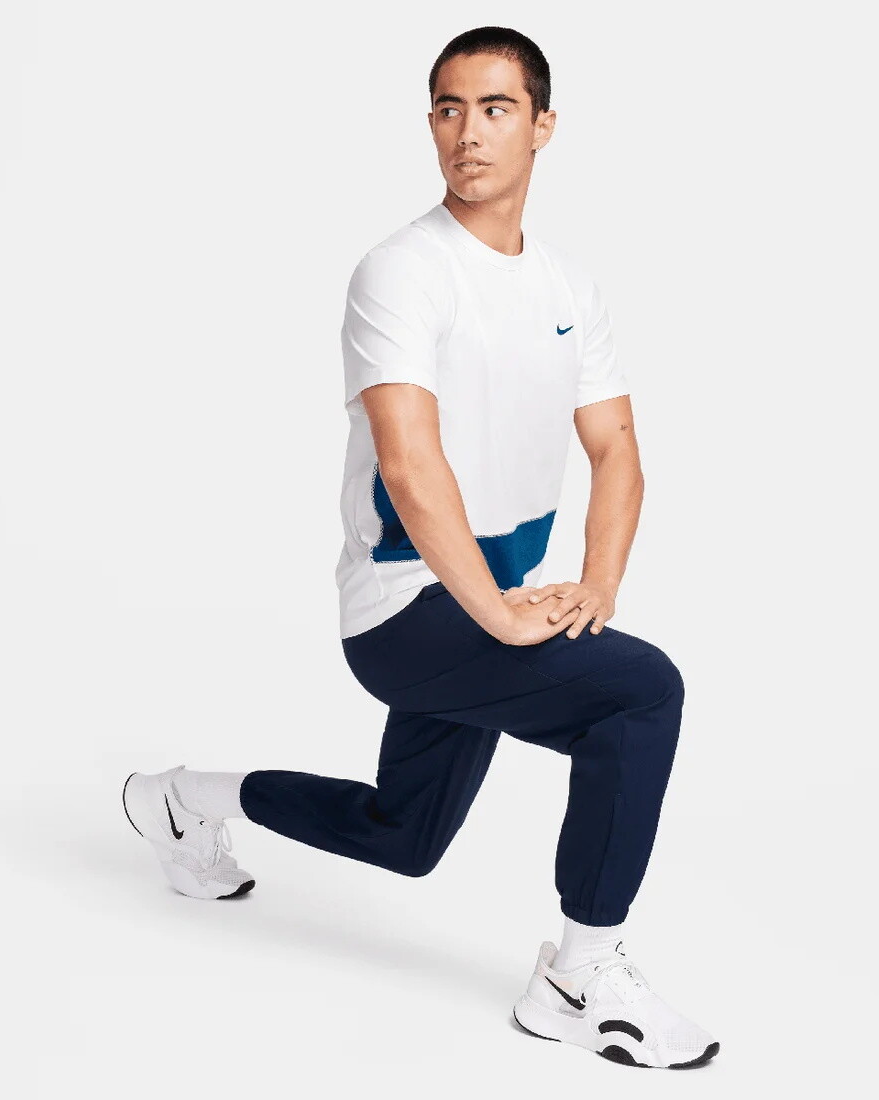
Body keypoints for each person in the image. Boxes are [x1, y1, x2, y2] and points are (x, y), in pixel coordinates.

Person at [122, 26, 719, 1070]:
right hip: (406, 609)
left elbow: (617, 448)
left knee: (403, 837)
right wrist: (501, 615)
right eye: (448, 108)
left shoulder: (568, 289)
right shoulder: (402, 271)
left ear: (542, 126)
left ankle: (183, 799)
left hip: (491, 597)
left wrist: (596, 585)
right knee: (638, 693)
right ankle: (580, 976)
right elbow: (409, 462)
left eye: (494, 108)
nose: (467, 132)